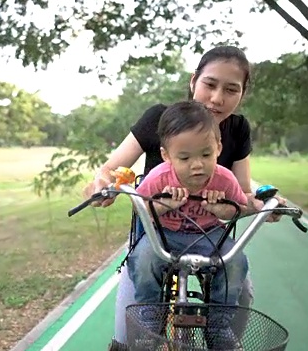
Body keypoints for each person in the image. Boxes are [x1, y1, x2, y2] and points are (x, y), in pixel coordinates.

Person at [82, 45, 287, 348]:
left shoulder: (238, 128)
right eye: (210, 84)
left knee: (241, 289)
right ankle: (143, 338)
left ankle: (223, 340)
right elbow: (112, 170)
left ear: (242, 94)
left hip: (210, 233)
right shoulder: (159, 118)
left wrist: (264, 205)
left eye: (231, 89)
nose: (218, 98)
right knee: (130, 329)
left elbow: (243, 196)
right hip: (154, 235)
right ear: (194, 81)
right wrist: (102, 185)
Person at [129, 100, 249, 350]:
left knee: (236, 261)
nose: (197, 165)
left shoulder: (224, 178)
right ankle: (149, 323)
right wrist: (164, 206)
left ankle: (218, 326)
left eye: (206, 154)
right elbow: (139, 206)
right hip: (166, 234)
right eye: (184, 157)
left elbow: (239, 207)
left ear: (218, 147)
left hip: (209, 235)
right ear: (167, 156)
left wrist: (220, 209)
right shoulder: (160, 177)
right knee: (143, 260)